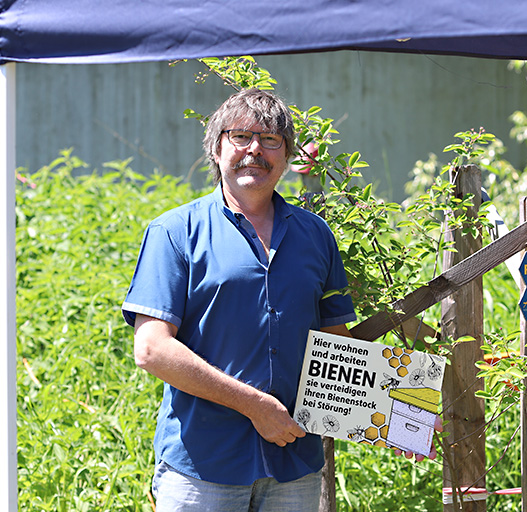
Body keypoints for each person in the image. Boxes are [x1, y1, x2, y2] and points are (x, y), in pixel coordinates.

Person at [121, 87, 356, 511]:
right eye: (241, 137)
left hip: (294, 465)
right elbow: (152, 348)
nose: (255, 151)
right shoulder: (175, 232)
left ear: (287, 156)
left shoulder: (316, 235)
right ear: (216, 148)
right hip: (202, 467)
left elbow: (338, 344)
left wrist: (388, 420)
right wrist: (256, 407)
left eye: (270, 141)